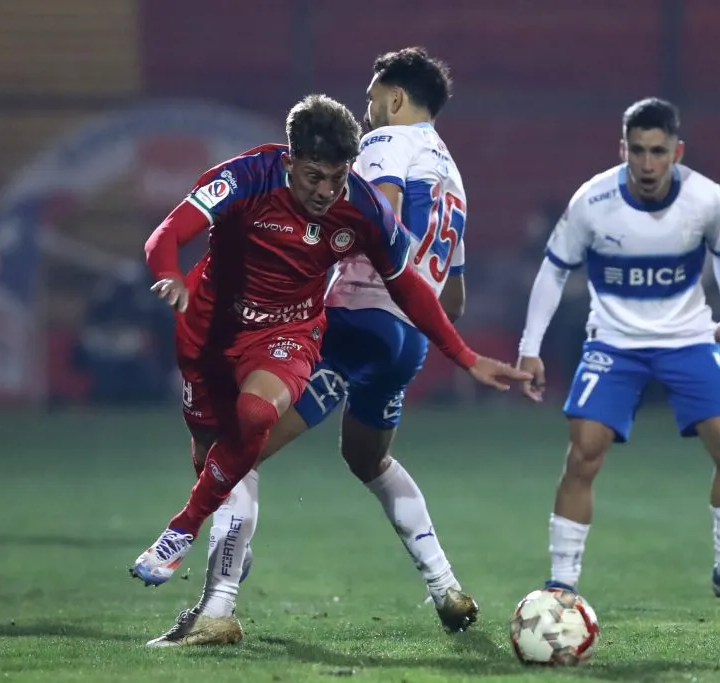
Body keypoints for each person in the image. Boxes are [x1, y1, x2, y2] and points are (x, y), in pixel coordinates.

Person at [146, 48, 477, 648]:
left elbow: (380, 221)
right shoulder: (452, 172)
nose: (368, 107)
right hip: (407, 341)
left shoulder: (381, 145)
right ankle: (445, 586)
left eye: (374, 96)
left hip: (351, 321)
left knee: (236, 445)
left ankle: (217, 606)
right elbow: (451, 295)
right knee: (369, 460)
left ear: (395, 98)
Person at [516, 98, 720, 606]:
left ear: (676, 151)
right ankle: (561, 584)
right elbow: (553, 271)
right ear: (623, 149)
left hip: (686, 339)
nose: (647, 164)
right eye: (637, 151)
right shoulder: (592, 202)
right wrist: (529, 348)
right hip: (614, 344)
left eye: (658, 151)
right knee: (583, 454)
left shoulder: (706, 199)